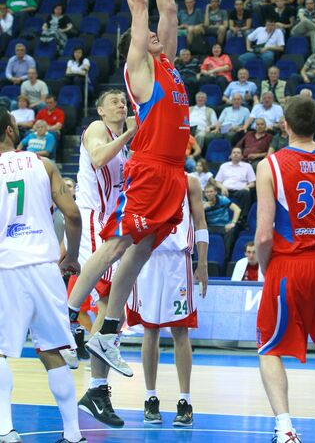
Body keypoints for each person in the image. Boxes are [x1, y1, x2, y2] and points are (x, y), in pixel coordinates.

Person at [67, 0, 193, 374]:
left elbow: (169, 10)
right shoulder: (141, 68)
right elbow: (141, 5)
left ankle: (108, 331)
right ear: (139, 45)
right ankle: (69, 316)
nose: (159, 31)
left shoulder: (171, 67)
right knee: (119, 243)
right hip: (151, 166)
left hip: (174, 173)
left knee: (141, 249)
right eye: (150, 33)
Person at [255, 95, 315, 443]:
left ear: (284, 124)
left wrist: (265, 269)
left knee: (269, 348)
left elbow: (263, 234)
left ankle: (286, 428)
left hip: (291, 266)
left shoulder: (270, 165)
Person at [0, 107, 86, 443]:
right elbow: (74, 216)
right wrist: (73, 258)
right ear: (10, 131)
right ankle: (73, 434)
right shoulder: (44, 164)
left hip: (6, 266)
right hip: (45, 267)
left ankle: (6, 429)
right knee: (53, 350)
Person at [73, 90, 136, 427]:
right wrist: (131, 131)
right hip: (94, 218)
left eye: (122, 101)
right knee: (109, 302)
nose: (120, 104)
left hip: (109, 220)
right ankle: (69, 323)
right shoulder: (98, 128)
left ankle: (97, 390)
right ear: (100, 109)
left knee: (113, 305)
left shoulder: (124, 142)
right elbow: (97, 158)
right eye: (113, 101)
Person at [126, 175, 208, 426]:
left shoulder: (190, 182)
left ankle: (185, 401)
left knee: (180, 331)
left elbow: (201, 222)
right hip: (147, 258)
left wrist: (202, 263)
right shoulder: (143, 177)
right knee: (150, 331)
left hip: (177, 260)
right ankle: (150, 398)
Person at [203, 182, 241, 268]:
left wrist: (233, 223)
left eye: (211, 191)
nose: (209, 194)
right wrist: (202, 209)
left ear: (215, 192)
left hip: (223, 226)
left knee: (231, 231)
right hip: (210, 226)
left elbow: (237, 209)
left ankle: (226, 259)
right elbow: (195, 218)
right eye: (207, 192)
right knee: (198, 232)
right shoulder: (202, 203)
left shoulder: (223, 199)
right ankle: (199, 259)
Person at [214, 146, 256, 218]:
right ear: (230, 155)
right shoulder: (224, 166)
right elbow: (217, 182)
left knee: (246, 193)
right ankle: (216, 216)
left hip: (240, 192)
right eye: (234, 153)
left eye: (238, 153)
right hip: (225, 191)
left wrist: (247, 187)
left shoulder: (247, 166)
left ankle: (243, 217)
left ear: (242, 156)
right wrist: (222, 187)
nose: (236, 154)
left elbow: (253, 183)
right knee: (211, 192)